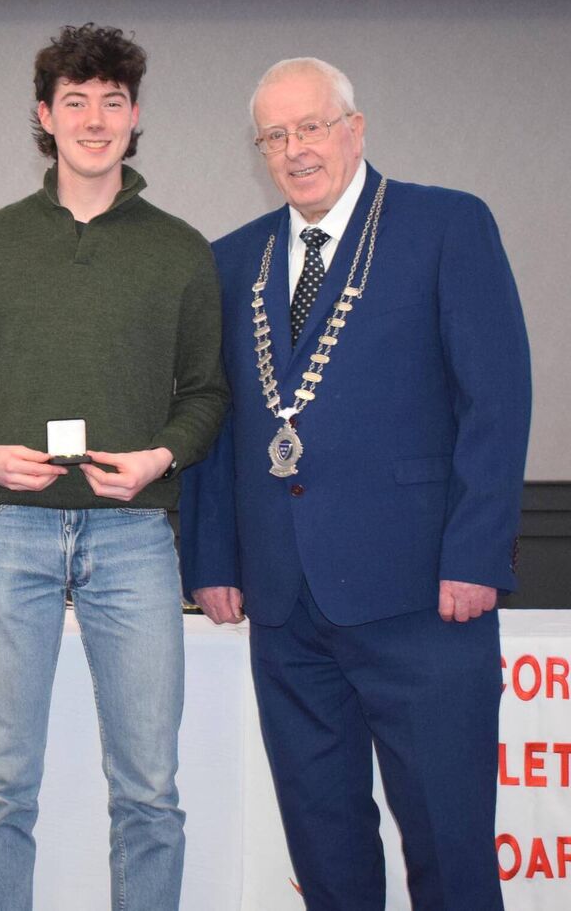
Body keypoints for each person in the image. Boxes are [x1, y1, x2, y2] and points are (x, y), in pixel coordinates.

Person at [179, 57, 530, 909]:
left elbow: (498, 397)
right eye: (276, 134)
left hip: (427, 596)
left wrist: (477, 553)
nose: (296, 149)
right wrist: (214, 559)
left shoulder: (446, 224)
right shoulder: (233, 261)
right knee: (324, 842)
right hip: (286, 607)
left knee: (448, 842)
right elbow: (213, 418)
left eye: (312, 127)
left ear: (355, 129)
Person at [0, 24, 228, 910]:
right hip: (7, 533)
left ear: (135, 118)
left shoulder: (179, 249)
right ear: (44, 116)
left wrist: (162, 455)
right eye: (76, 102)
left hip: (135, 536)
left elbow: (206, 393)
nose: (95, 119)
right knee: (0, 786)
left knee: (150, 793)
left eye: (113, 102)